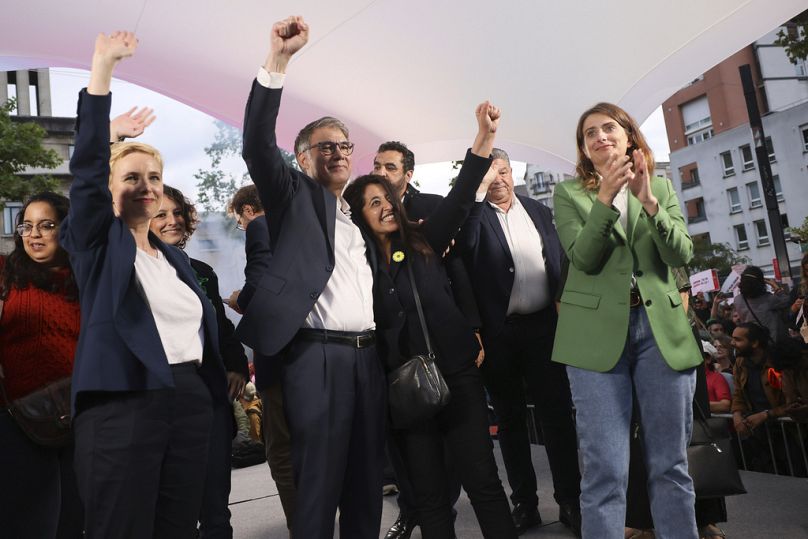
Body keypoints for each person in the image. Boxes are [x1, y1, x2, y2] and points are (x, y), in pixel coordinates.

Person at [60, 31, 228, 538]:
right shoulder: (96, 244)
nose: (147, 186)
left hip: (189, 402)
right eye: (132, 177)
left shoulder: (174, 259)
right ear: (111, 191)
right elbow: (86, 173)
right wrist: (102, 72)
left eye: (154, 177)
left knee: (178, 527)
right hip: (123, 404)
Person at [236, 16, 383, 538]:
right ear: (301, 159)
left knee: (367, 482)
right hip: (316, 357)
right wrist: (278, 62)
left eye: (344, 145)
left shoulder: (359, 215)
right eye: (326, 146)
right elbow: (256, 143)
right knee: (318, 483)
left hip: (370, 358)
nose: (339, 152)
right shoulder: (295, 197)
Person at [343, 99, 517, 539]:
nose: (384, 206)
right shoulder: (356, 266)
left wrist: (484, 139)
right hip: (405, 391)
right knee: (430, 497)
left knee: (483, 482)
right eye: (371, 202)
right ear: (357, 216)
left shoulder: (424, 239)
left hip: (457, 376)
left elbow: (460, 199)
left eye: (386, 198)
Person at [552, 102, 701, 538]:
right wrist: (604, 200)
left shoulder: (660, 187)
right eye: (589, 134)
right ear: (584, 149)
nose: (600, 137)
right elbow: (583, 258)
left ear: (629, 136)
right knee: (605, 470)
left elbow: (680, 257)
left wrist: (650, 204)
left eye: (608, 128)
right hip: (594, 341)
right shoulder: (569, 195)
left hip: (660, 334)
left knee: (670, 465)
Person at [455, 146, 582, 536]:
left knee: (557, 417)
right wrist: (475, 195)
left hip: (545, 328)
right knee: (510, 422)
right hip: (500, 334)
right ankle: (524, 504)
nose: (500, 180)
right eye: (491, 175)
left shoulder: (540, 211)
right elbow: (467, 251)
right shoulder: (472, 218)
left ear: (513, 173)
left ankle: (570, 502)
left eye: (505, 172)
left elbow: (559, 264)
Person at [373, 140, 478, 539]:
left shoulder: (431, 208)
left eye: (391, 167)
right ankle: (411, 509)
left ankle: (440, 508)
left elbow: (458, 269)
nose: (382, 172)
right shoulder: (364, 216)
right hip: (395, 349)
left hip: (443, 339)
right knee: (405, 443)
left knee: (450, 437)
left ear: (408, 174)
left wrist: (473, 326)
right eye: (378, 166)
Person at [150, 184, 249, 538]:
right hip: (159, 399)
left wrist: (236, 363)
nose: (172, 220)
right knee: (171, 512)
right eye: (161, 214)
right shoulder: (135, 269)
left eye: (177, 213)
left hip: (209, 396)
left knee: (215, 507)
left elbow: (219, 326)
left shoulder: (202, 271)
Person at [0, 192, 84, 538]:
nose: (34, 235)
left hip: (78, 418)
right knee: (26, 520)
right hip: (15, 417)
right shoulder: (6, 272)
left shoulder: (86, 279)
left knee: (74, 519)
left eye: (47, 225)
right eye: (27, 226)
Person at [226, 184, 297, 531]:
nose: (243, 227)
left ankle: (303, 524)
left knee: (280, 451)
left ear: (248, 211)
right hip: (314, 357)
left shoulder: (260, 226)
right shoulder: (301, 224)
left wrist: (241, 300)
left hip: (280, 359)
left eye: (240, 221)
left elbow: (261, 285)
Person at [733, 265, 791, 343]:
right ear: (760, 282)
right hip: (772, 342)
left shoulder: (737, 300)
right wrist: (775, 286)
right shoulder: (768, 299)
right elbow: (786, 300)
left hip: (753, 342)